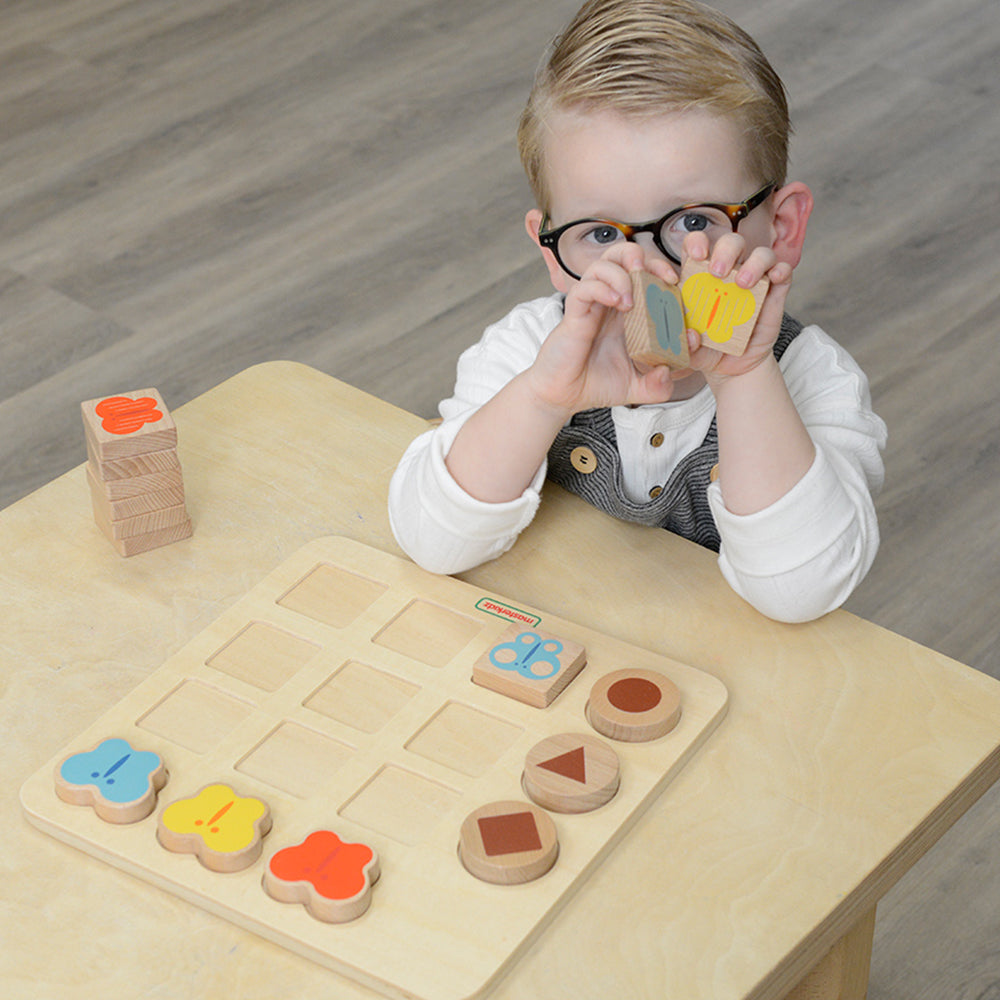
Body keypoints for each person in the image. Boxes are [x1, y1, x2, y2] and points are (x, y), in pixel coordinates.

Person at [388, 0, 886, 623]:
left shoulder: (816, 381)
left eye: (696, 222)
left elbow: (802, 592)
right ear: (550, 251)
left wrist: (743, 378)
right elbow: (431, 541)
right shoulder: (528, 351)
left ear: (781, 227)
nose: (649, 268)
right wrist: (543, 398)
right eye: (600, 235)